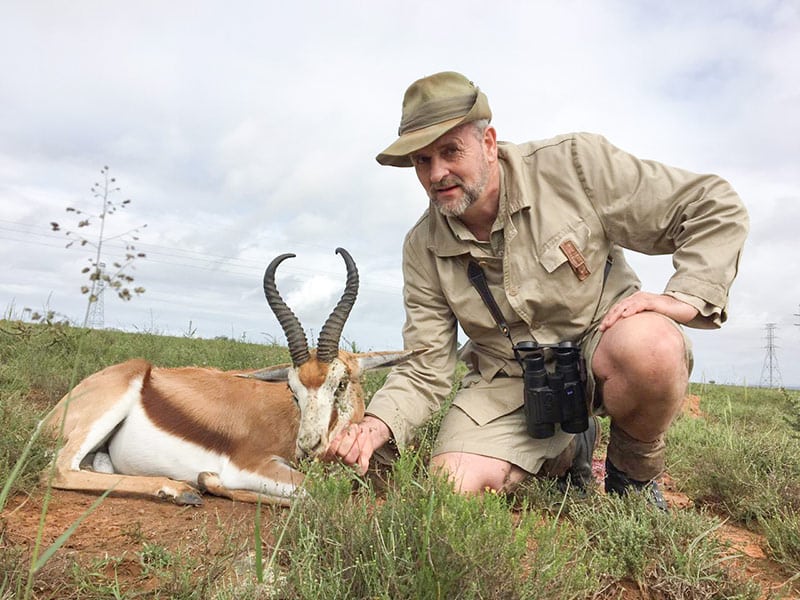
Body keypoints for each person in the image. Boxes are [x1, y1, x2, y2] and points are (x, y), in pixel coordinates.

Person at [326, 71, 748, 508]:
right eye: (422, 160)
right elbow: (425, 366)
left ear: (488, 142)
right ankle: (567, 450)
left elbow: (711, 204)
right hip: (511, 382)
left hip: (604, 346)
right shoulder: (421, 247)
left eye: (451, 151)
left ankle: (632, 477)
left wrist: (684, 297)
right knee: (450, 488)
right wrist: (376, 425)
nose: (437, 174)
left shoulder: (575, 166)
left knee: (653, 346)